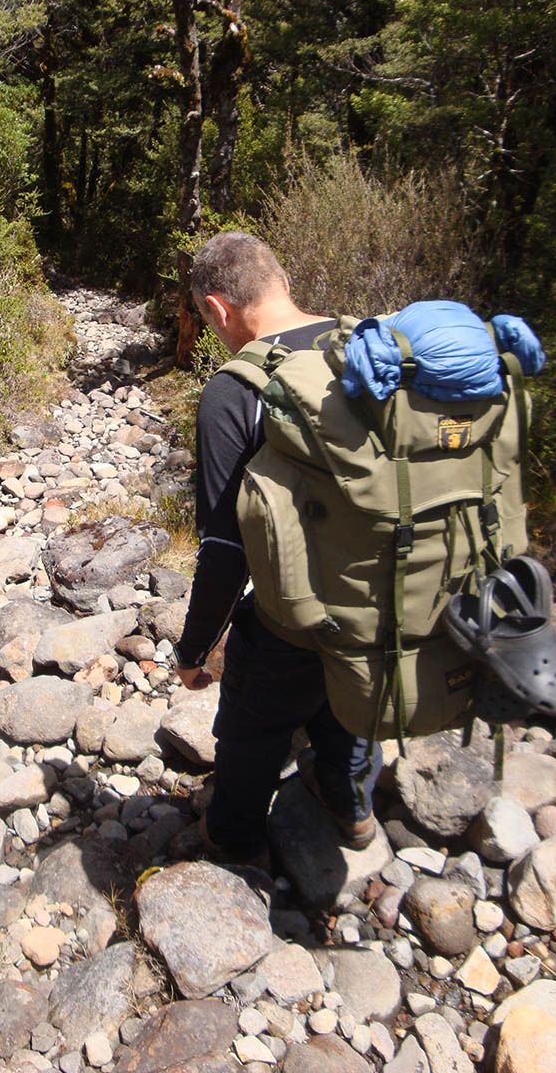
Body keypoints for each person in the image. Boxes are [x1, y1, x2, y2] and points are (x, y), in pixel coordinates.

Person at [172, 231, 382, 865]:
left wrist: (194, 649)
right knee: (349, 701)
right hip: (387, 594)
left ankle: (234, 843)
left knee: (251, 729)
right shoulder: (365, 344)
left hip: (296, 620)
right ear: (282, 283)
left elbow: (224, 549)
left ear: (216, 308)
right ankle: (349, 805)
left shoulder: (235, 390)